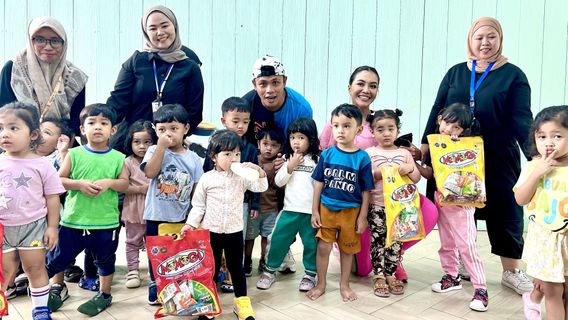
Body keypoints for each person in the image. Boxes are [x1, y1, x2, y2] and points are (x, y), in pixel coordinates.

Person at [421, 16, 533, 294]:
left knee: (505, 210)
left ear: (500, 39)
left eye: (491, 36)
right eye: (479, 37)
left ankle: (512, 271)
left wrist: (535, 154)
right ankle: (457, 267)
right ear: (470, 40)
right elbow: (438, 108)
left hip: (496, 156)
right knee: (453, 210)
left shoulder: (513, 75)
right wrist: (426, 145)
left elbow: (521, 117)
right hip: (452, 159)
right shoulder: (456, 72)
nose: (485, 42)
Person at [46, 104, 128, 316]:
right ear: (83, 129)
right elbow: (59, 181)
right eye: (91, 123)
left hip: (106, 222)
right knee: (60, 258)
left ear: (113, 130)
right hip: (73, 220)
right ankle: (57, 288)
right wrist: (79, 184)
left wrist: (110, 182)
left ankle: (104, 294)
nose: (97, 127)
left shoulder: (119, 158)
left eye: (104, 123)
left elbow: (124, 184)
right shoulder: (74, 154)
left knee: (105, 260)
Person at [182, 130, 268, 320]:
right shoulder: (207, 179)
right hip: (210, 232)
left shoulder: (242, 177)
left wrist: (259, 171)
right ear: (214, 157)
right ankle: (208, 303)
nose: (233, 158)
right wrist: (190, 224)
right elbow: (198, 206)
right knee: (210, 269)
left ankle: (242, 303)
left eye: (237, 154)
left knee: (236, 267)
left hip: (235, 231)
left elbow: (260, 187)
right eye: (227, 154)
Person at [420, 104, 489, 311]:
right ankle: (452, 277)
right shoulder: (436, 144)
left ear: (465, 131)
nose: (450, 130)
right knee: (446, 243)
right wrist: (414, 164)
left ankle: (480, 288)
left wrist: (461, 146)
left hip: (462, 204)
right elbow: (431, 173)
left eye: (457, 127)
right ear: (439, 119)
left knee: (467, 245)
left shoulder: (469, 145)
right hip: (441, 199)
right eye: (447, 123)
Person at [107, 5, 204, 151]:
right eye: (152, 28)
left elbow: (194, 112)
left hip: (170, 147)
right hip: (131, 143)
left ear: (175, 26)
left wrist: (173, 138)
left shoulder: (190, 68)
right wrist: (101, 125)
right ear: (146, 32)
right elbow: (117, 103)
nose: (160, 32)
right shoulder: (135, 62)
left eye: (165, 25)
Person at [0, 102, 65, 319]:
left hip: (34, 227)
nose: (5, 134)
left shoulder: (43, 164)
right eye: (1, 128)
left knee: (35, 269)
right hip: (3, 229)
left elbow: (53, 197)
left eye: (13, 128)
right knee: (5, 273)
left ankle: (40, 309)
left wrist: (53, 227)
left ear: (33, 134)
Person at [307, 104, 374, 302]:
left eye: (346, 126)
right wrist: (315, 211)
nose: (340, 130)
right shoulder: (327, 154)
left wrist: (363, 217)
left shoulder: (362, 158)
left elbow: (366, 190)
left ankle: (344, 285)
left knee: (347, 250)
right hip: (326, 210)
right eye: (336, 125)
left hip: (350, 213)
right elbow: (318, 183)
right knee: (323, 248)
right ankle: (321, 284)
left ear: (358, 130)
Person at [142, 104, 203, 304]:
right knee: (156, 252)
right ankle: (155, 284)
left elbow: (197, 190)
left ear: (186, 129)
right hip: (156, 215)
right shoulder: (153, 150)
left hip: (182, 216)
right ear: (155, 129)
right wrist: (160, 147)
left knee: (179, 251)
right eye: (161, 130)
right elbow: (150, 173)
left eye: (173, 129)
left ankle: (178, 283)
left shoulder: (193, 158)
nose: (167, 134)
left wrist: (196, 216)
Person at [514, 105, 568, 320]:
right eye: (542, 136)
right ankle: (535, 297)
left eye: (557, 136)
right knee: (554, 291)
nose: (549, 143)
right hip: (545, 240)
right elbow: (520, 199)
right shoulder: (533, 166)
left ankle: (533, 297)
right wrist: (536, 174)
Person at [256, 118, 320, 292]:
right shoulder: (286, 158)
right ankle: (269, 271)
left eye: (301, 137)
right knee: (277, 240)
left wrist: (317, 211)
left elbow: (319, 187)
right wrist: (289, 167)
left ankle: (310, 275)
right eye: (292, 137)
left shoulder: (317, 160)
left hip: (309, 212)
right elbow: (278, 181)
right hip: (289, 210)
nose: (296, 142)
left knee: (311, 244)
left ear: (311, 139)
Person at [364, 109, 420, 298]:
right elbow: (363, 180)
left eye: (390, 129)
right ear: (372, 131)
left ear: (397, 130)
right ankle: (378, 275)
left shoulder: (404, 153)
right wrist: (377, 174)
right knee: (378, 240)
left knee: (396, 241)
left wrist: (410, 168)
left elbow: (417, 178)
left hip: (401, 207)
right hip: (377, 205)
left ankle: (391, 273)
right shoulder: (369, 153)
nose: (386, 133)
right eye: (380, 129)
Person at [243, 54, 312, 145]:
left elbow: (306, 147)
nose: (270, 90)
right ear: (254, 85)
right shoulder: (245, 107)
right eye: (263, 84)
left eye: (275, 83)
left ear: (284, 82)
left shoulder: (302, 109)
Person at [244, 127, 284, 276]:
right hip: (253, 209)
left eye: (274, 145)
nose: (269, 148)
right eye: (265, 144)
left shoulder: (278, 165)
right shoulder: (252, 160)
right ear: (259, 143)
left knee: (267, 237)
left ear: (280, 147)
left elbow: (281, 187)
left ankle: (264, 260)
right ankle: (247, 260)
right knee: (250, 237)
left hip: (271, 209)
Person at [121, 120, 156, 289]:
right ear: (130, 142)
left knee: (153, 242)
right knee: (132, 241)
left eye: (147, 142)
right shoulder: (127, 162)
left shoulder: (157, 160)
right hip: (133, 208)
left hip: (154, 210)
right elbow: (122, 186)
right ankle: (133, 270)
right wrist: (142, 189)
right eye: (137, 142)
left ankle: (154, 270)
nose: (142, 146)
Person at [320, 66, 380, 150]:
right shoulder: (336, 121)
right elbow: (322, 154)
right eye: (360, 84)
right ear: (349, 88)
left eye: (373, 86)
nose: (366, 90)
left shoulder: (382, 120)